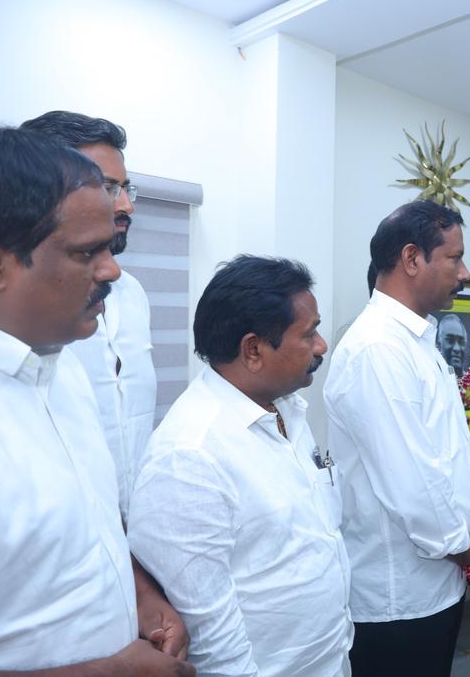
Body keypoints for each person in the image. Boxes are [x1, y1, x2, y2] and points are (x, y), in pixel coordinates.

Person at [0, 127, 193, 675]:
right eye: (87, 252)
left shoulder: (60, 367)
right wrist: (109, 672)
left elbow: (88, 518)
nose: (112, 270)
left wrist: (137, 593)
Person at [127, 256, 352, 676]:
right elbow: (212, 635)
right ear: (253, 349)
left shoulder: (289, 411)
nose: (322, 345)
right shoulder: (191, 456)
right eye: (309, 333)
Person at [324, 200, 470, 677]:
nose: (465, 273)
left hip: (434, 583)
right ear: (411, 258)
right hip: (398, 598)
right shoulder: (378, 349)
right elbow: (414, 490)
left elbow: (448, 454)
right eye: (454, 257)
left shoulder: (414, 339)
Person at [21, 110, 157, 523]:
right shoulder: (11, 306)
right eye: (107, 187)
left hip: (133, 531)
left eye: (126, 187)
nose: (126, 205)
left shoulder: (132, 294)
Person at [436, 312, 470, 377]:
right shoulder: (432, 380)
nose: (456, 348)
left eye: (461, 342)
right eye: (450, 340)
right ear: (439, 345)